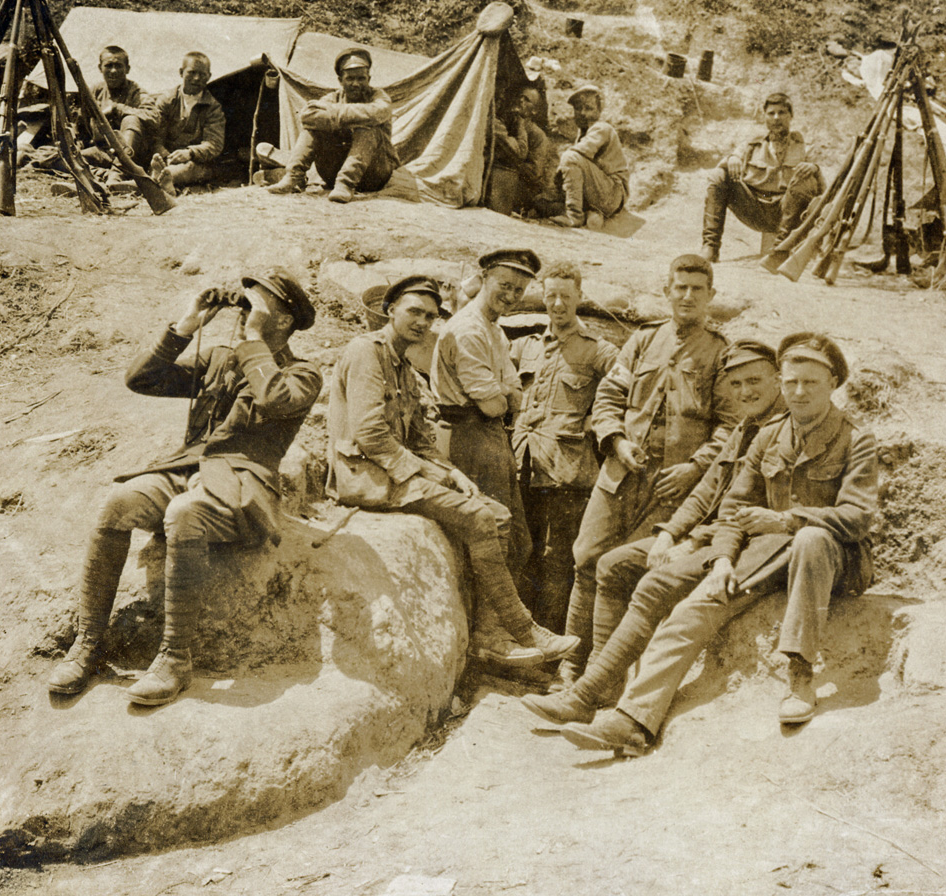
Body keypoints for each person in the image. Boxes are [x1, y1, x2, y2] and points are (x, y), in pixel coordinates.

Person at [559, 333, 878, 755]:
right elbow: (734, 506)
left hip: (833, 560)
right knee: (695, 607)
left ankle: (801, 675)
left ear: (833, 383)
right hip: (769, 554)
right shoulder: (770, 435)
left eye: (811, 383)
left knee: (810, 537)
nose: (799, 392)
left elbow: (858, 517)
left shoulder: (856, 439)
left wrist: (787, 519)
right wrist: (724, 560)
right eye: (792, 382)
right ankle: (633, 721)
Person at [46, 269, 323, 706]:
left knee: (183, 513)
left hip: (243, 484)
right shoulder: (219, 359)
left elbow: (273, 399)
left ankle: (175, 659)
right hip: (188, 470)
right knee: (118, 502)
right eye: (245, 303)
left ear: (285, 320)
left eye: (258, 305)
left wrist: (253, 338)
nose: (245, 311)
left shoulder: (302, 374)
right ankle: (89, 645)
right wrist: (187, 324)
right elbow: (141, 379)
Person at [522, 340, 784, 723]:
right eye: (737, 384)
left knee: (648, 580)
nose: (745, 392)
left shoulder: (781, 429)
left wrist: (692, 541)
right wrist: (668, 534)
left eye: (754, 381)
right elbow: (709, 489)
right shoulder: (747, 425)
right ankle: (598, 686)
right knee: (610, 563)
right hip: (716, 534)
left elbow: (746, 512)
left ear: (778, 379)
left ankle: (588, 693)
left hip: (748, 546)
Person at [326, 276, 578, 668]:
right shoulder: (366, 352)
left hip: (394, 473)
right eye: (414, 312)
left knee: (498, 514)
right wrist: (425, 473)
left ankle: (491, 634)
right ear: (390, 310)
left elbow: (419, 437)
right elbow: (369, 432)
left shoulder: (404, 365)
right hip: (367, 476)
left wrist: (451, 472)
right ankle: (520, 630)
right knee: (480, 515)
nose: (422, 322)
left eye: (430, 317)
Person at [556, 253, 738, 690]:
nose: (688, 296)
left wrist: (695, 468)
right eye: (680, 287)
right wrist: (617, 441)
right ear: (667, 292)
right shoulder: (641, 341)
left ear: (711, 296)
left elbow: (730, 426)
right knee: (586, 560)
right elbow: (608, 399)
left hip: (671, 489)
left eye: (697, 289)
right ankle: (569, 667)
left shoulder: (720, 353)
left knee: (630, 573)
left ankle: (605, 680)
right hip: (619, 476)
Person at [432, 249, 542, 655]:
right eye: (504, 286)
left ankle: (501, 631)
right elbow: (495, 403)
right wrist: (504, 397)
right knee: (494, 537)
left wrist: (504, 397)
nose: (510, 296)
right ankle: (489, 637)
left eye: (519, 290)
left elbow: (514, 394)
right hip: (467, 436)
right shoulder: (468, 330)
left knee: (519, 542)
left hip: (491, 438)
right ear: (483, 279)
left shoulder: (494, 331)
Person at [510, 261, 619, 631]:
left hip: (567, 475)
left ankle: (554, 640)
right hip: (522, 465)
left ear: (579, 297)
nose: (558, 304)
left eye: (566, 296)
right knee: (520, 551)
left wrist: (596, 420)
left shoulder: (599, 351)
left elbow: (631, 392)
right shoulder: (526, 346)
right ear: (542, 296)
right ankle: (523, 636)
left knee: (557, 560)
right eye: (551, 295)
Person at [700, 92, 825, 263]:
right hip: (755, 208)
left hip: (787, 211)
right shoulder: (752, 144)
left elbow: (822, 190)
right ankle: (710, 246)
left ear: (791, 116)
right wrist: (732, 158)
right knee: (718, 176)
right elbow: (731, 159)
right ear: (764, 116)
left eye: (782, 112)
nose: (776, 118)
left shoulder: (805, 146)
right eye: (771, 113)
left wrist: (814, 169)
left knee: (806, 179)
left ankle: (780, 250)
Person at [267, 48, 398, 202]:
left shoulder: (379, 97)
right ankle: (294, 177)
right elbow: (307, 116)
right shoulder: (332, 98)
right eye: (350, 78)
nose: (356, 84)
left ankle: (346, 184)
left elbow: (377, 112)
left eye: (361, 78)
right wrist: (350, 115)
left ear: (369, 79)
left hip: (374, 174)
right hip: (332, 174)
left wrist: (332, 114)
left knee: (367, 128)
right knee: (314, 128)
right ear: (340, 80)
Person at [550, 84, 629, 229]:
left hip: (613, 192)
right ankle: (592, 214)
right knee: (543, 200)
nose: (582, 113)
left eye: (589, 108)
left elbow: (582, 152)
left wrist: (558, 175)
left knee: (569, 157)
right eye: (578, 109)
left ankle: (574, 216)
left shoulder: (602, 128)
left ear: (599, 110)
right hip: (601, 191)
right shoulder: (583, 132)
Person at [148, 51, 226, 192]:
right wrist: (165, 156)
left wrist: (190, 153)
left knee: (189, 169)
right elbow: (155, 136)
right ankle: (160, 179)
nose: (196, 78)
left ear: (209, 77)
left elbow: (214, 144)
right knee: (157, 164)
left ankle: (159, 180)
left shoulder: (213, 108)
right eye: (191, 72)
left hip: (196, 163)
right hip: (165, 159)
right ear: (181, 72)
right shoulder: (167, 100)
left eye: (202, 74)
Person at [78, 46, 152, 170]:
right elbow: (81, 124)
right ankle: (105, 172)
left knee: (131, 119)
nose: (113, 71)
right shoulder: (95, 91)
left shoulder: (137, 92)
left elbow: (153, 116)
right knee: (54, 157)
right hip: (102, 152)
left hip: (132, 155)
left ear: (127, 69)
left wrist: (116, 109)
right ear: (100, 68)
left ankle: (119, 170)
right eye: (108, 65)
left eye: (118, 66)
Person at [488, 86, 554, 217]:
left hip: (522, 186)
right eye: (520, 97)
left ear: (534, 111)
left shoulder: (537, 135)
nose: (521, 101)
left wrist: (512, 163)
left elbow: (535, 172)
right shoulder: (507, 125)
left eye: (527, 100)